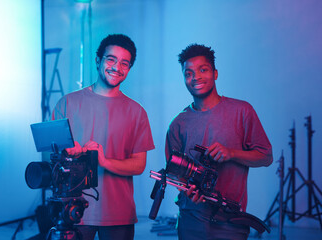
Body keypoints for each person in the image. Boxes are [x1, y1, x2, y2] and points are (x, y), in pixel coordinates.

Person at [52, 34, 155, 240]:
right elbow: (50, 159)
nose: (117, 67)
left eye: (124, 63)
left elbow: (138, 165)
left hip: (119, 215)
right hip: (73, 212)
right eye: (111, 59)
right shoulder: (67, 103)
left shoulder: (137, 112)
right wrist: (69, 155)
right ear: (98, 60)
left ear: (129, 69)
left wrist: (105, 162)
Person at [165, 44, 273, 240]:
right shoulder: (177, 124)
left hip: (230, 222)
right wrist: (187, 190)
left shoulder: (242, 111)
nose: (195, 77)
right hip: (191, 221)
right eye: (188, 73)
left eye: (203, 70)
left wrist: (232, 153)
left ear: (215, 73)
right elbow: (174, 173)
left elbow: (266, 156)